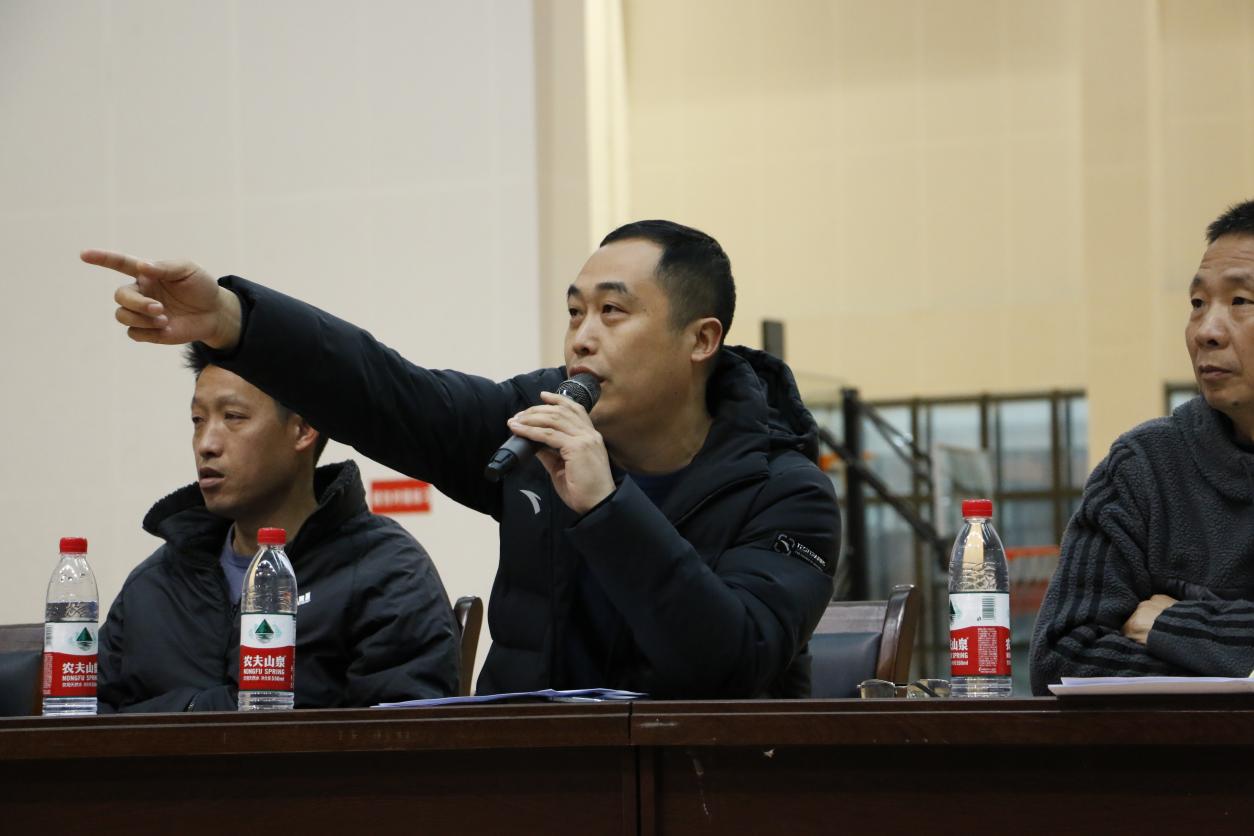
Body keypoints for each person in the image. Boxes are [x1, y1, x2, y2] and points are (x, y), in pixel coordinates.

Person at [85, 219, 840, 699]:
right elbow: (389, 393)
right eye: (574, 311)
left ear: (700, 340)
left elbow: (729, 663)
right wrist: (233, 321)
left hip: (701, 794)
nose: (581, 336)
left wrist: (608, 507)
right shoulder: (533, 426)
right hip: (532, 788)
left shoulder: (788, 493)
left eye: (613, 311)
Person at [97, 346, 461, 712]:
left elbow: (403, 736)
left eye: (233, 417)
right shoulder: (155, 583)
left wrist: (186, 713)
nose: (206, 444)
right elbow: (84, 722)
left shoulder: (386, 572)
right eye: (197, 420)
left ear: (303, 429)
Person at [1031, 199, 1254, 693]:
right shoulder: (1145, 467)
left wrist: (1177, 625)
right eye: (1197, 303)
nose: (1207, 331)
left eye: (1241, 301)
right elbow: (1062, 653)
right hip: (1186, 748)